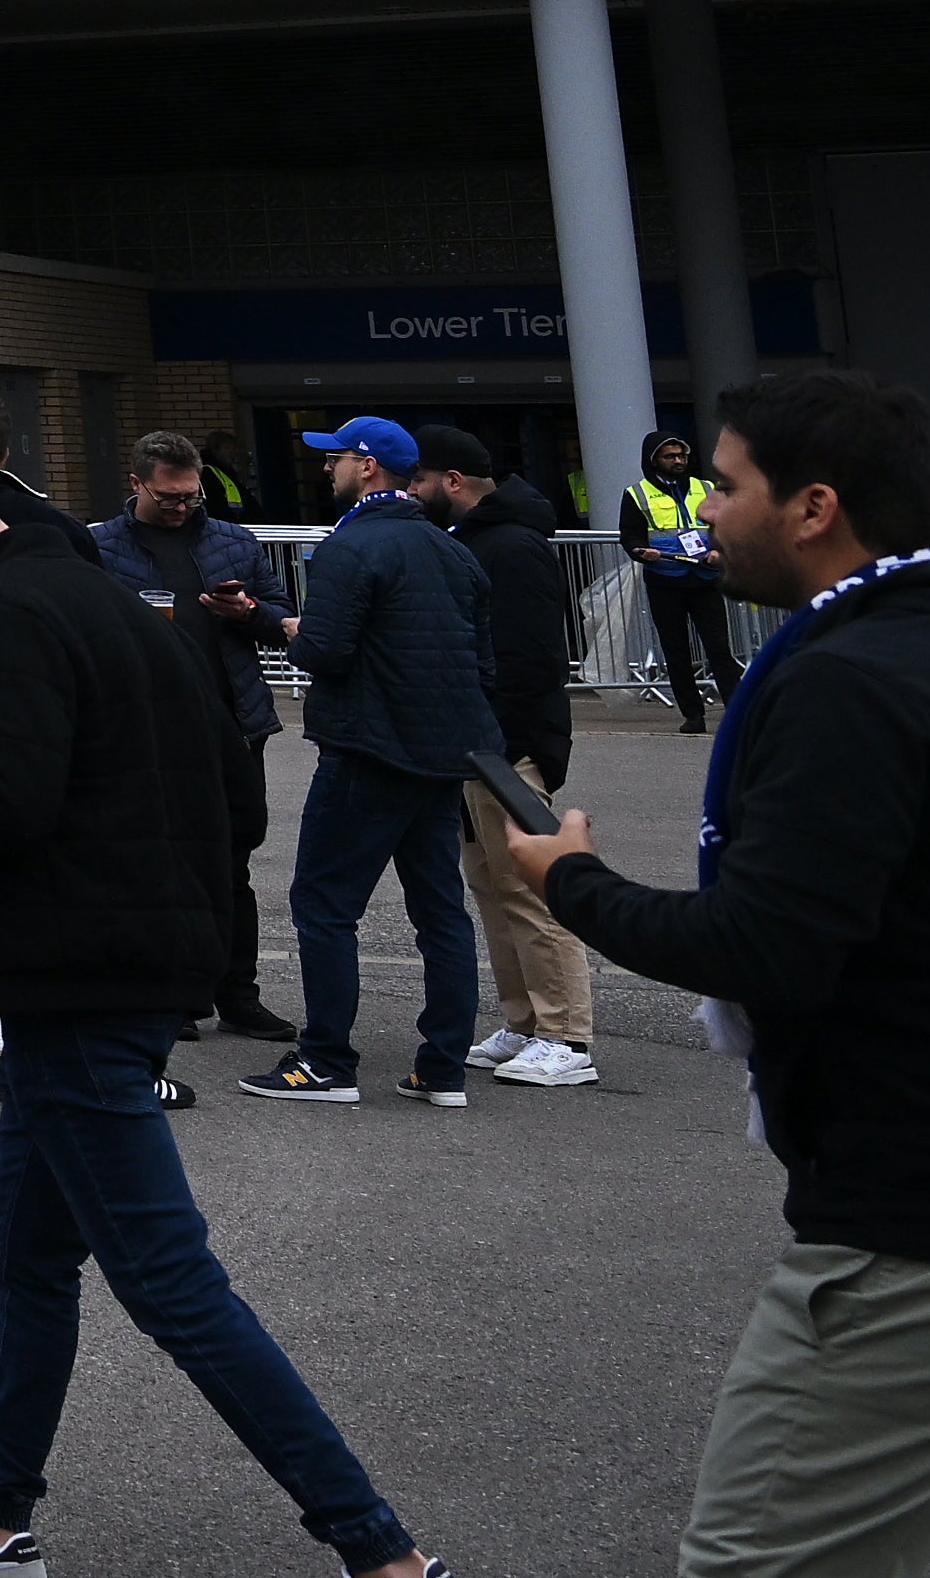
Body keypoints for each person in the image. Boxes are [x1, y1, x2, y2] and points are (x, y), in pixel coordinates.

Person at [0, 459, 477, 1578]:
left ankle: (390, 1570)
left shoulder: (4, 618)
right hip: (133, 961)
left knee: (173, 1285)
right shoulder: (112, 607)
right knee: (27, 1255)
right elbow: (215, 790)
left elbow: (5, 801)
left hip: (78, 983)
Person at [511, 364, 930, 1578]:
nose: (703, 513)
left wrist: (568, 880)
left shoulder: (851, 686)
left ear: (814, 508)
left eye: (729, 487)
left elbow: (770, 947)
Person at [252, 416, 485, 1112]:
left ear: (369, 467)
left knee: (323, 905)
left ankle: (325, 1061)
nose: (327, 468)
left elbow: (326, 652)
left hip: (369, 747)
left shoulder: (353, 546)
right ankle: (443, 1067)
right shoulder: (451, 549)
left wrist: (295, 631)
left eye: (337, 458)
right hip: (442, 752)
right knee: (441, 910)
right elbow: (480, 655)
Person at [95, 431, 300, 1043]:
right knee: (158, 862)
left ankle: (237, 994)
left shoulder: (234, 542)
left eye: (192, 496)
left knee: (232, 861)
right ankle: (174, 994)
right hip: (147, 729)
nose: (184, 507)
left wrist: (248, 614)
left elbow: (282, 618)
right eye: (170, 498)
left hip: (235, 726)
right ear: (136, 485)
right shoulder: (99, 547)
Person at [412, 427, 597, 1092]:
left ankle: (567, 1035)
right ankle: (523, 1021)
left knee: (529, 887)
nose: (411, 494)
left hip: (507, 746)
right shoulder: (472, 542)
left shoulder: (511, 547)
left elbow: (529, 658)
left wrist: (502, 741)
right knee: (491, 886)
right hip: (476, 745)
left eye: (418, 482)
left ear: (453, 482)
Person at [621, 428, 732, 734]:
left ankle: (737, 712)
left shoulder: (705, 487)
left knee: (719, 648)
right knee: (676, 651)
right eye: (670, 456)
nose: (678, 460)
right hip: (665, 579)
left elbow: (725, 525)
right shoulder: (637, 493)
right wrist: (640, 552)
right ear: (654, 460)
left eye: (681, 454)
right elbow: (629, 533)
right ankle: (693, 716)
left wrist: (719, 551)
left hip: (704, 576)